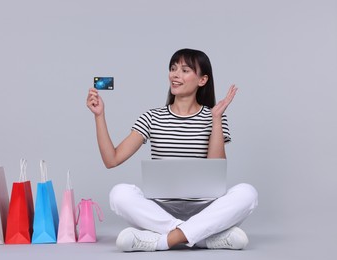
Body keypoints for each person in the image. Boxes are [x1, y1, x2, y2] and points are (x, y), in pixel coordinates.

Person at [86, 48, 258, 252]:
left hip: (205, 208)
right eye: (173, 68)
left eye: (185, 70)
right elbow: (111, 160)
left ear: (202, 80)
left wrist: (216, 119)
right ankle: (202, 238)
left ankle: (163, 241)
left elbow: (215, 166)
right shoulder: (152, 117)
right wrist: (99, 116)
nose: (175, 75)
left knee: (248, 193)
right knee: (119, 194)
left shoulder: (214, 117)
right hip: (160, 210)